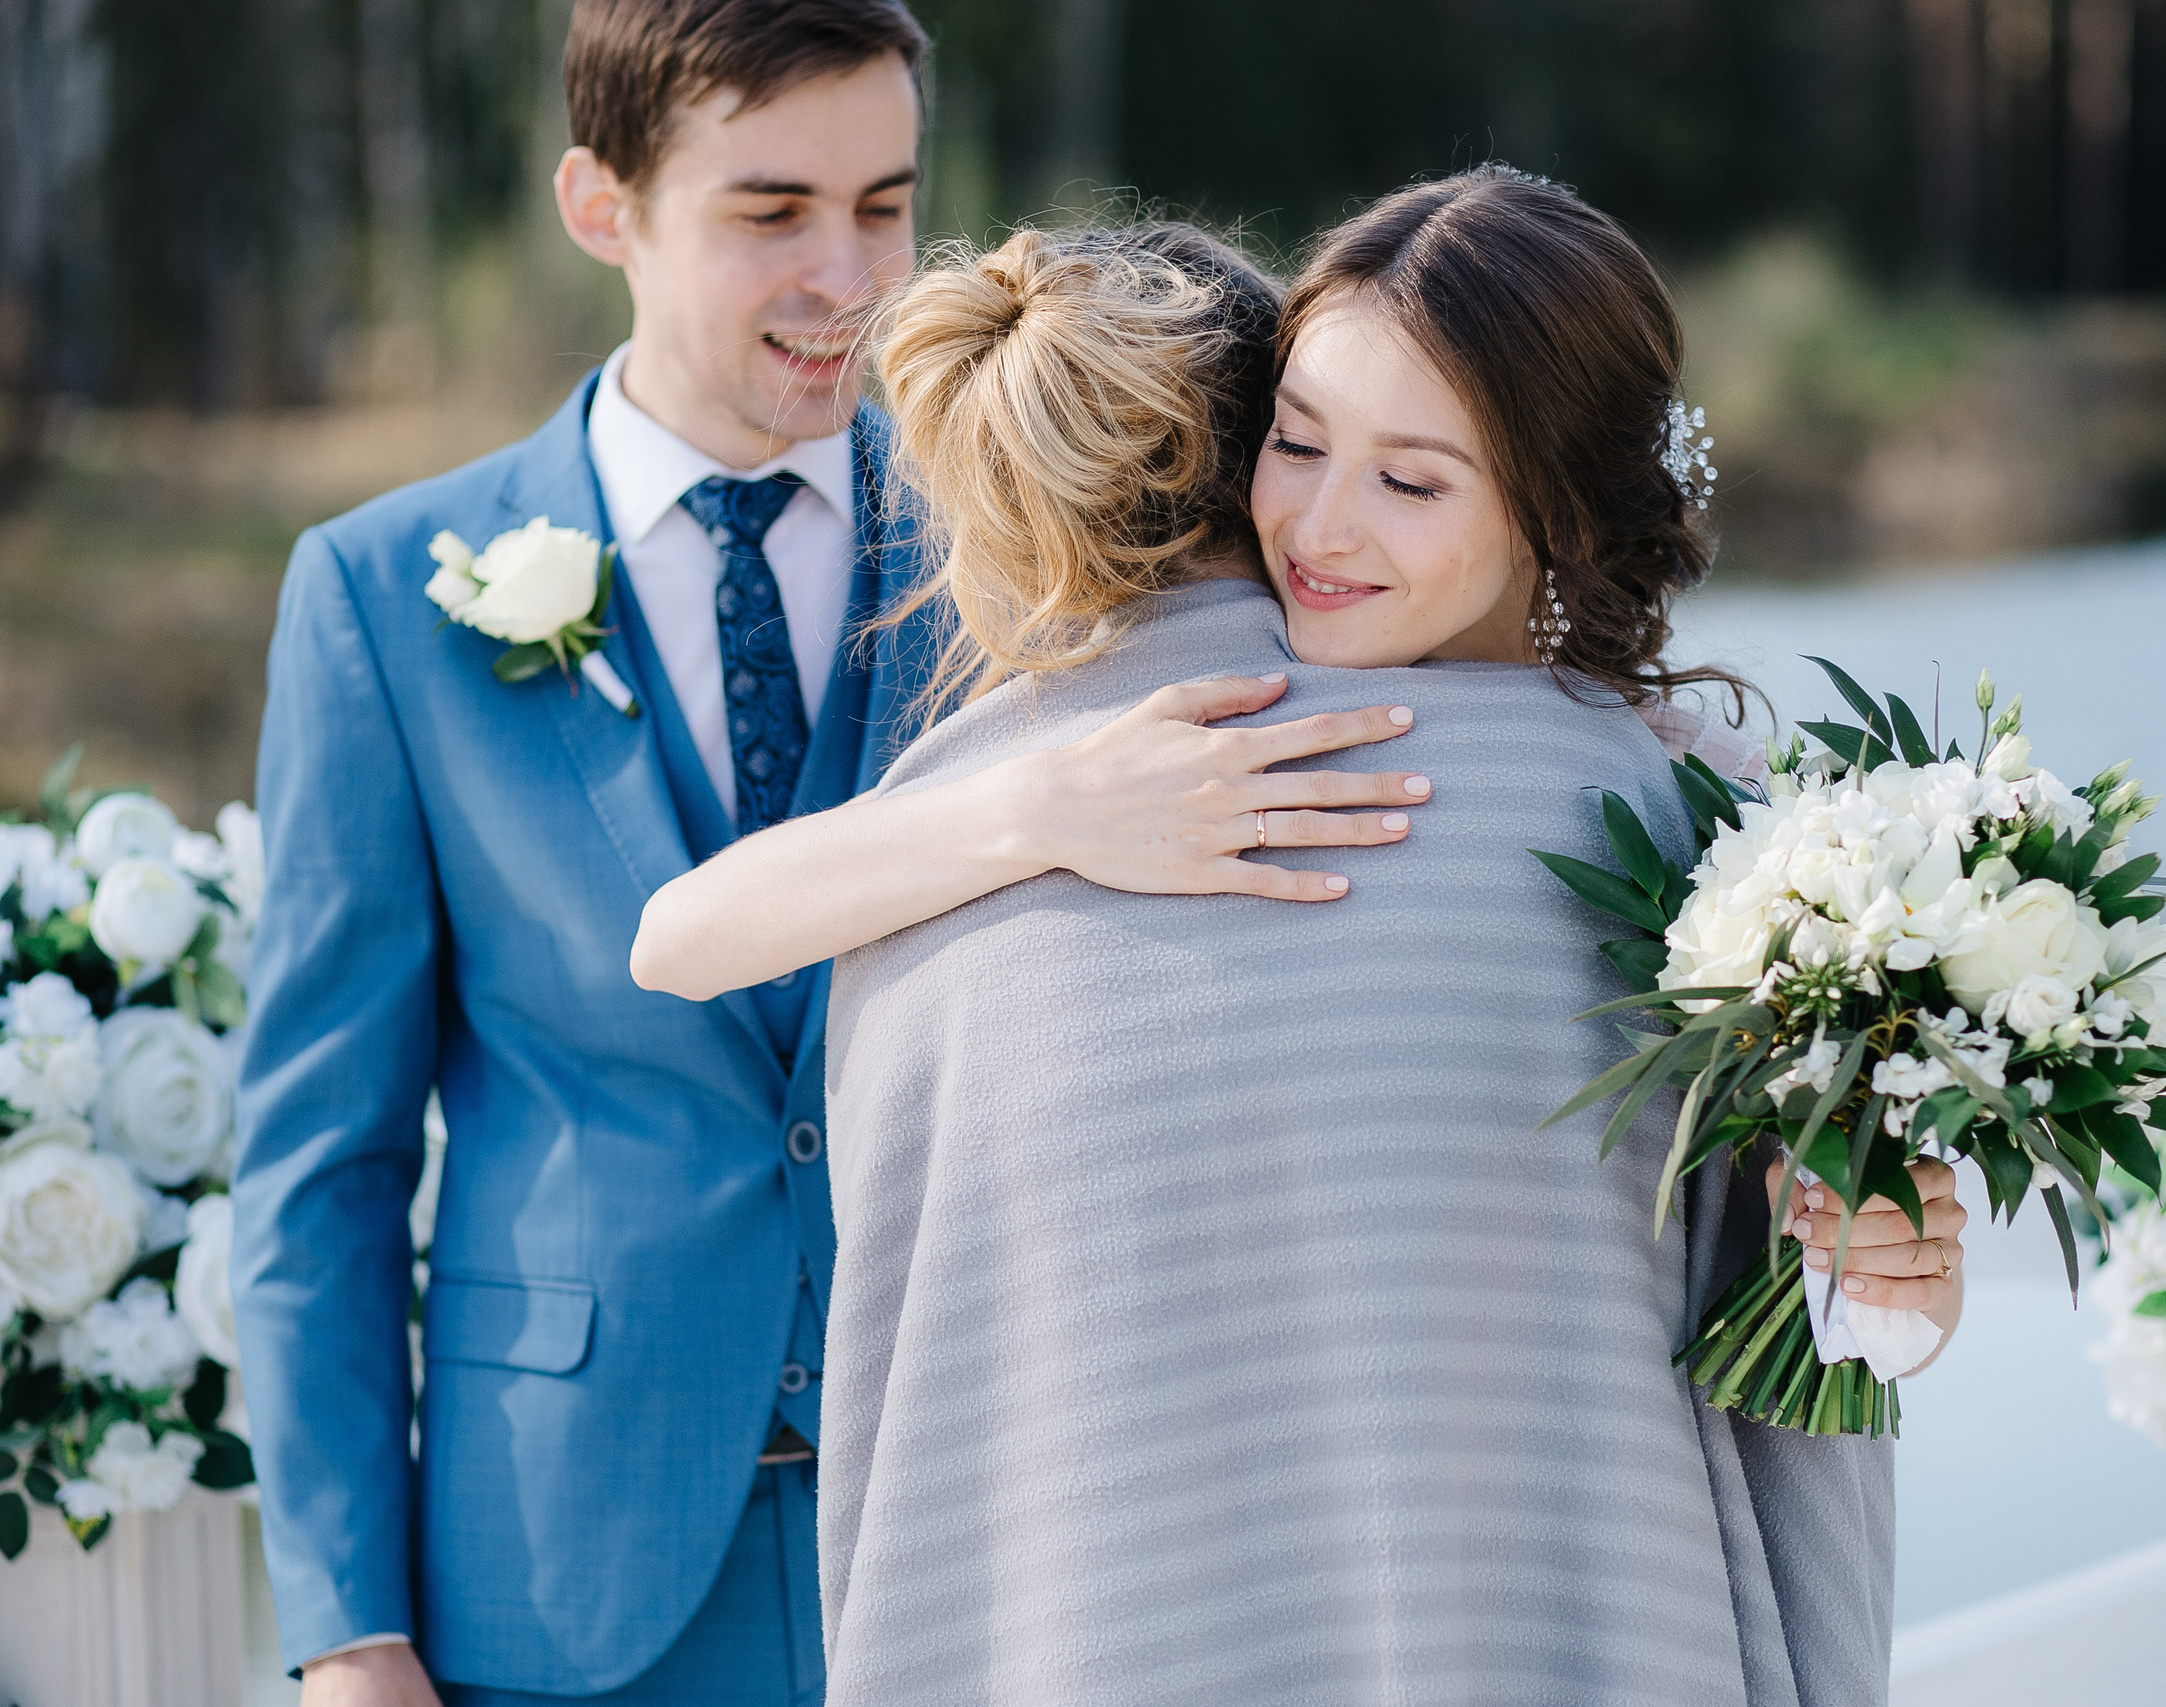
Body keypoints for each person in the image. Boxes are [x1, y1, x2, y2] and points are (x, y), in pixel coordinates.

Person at [642, 173, 1961, 1703]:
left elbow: (1830, 1297)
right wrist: (1043, 809)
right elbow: (678, 937)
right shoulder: (1645, 807)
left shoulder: (1736, 863)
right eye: (1299, 443)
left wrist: (1887, 1258)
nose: (1324, 529)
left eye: (1413, 482)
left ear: (1562, 507)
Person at [226, 4, 1402, 1702]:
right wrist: (350, 1635)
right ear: (600, 205)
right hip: (564, 1580)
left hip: (990, 1530)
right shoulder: (378, 595)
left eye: (882, 204)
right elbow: (317, 1166)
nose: (847, 276)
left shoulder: (1038, 541)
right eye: (772, 213)